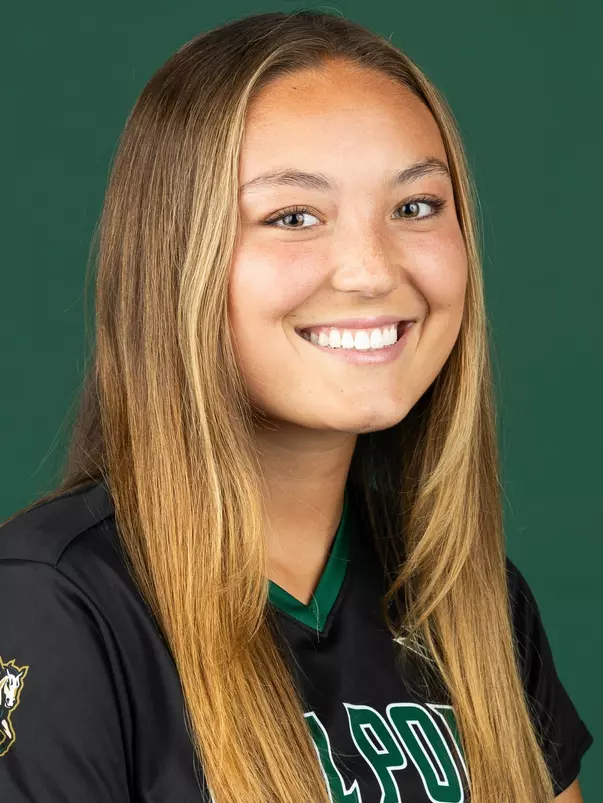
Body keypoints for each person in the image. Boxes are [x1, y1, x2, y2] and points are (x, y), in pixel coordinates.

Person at [0, 10, 593, 803]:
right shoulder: (48, 606)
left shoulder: (472, 601)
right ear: (176, 259)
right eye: (291, 217)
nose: (370, 271)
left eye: (415, 205)